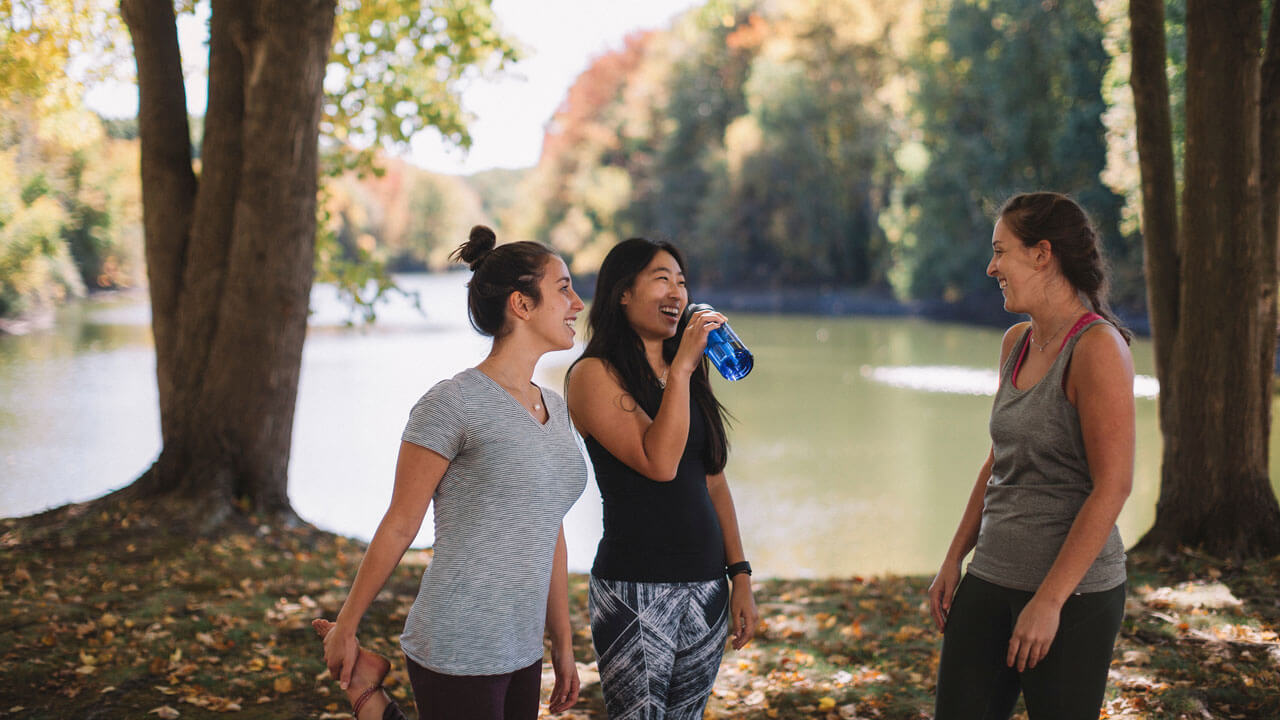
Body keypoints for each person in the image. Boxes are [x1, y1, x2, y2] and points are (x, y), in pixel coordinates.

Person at [315, 225, 588, 720]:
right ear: (521, 305)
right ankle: (363, 690)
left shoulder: (554, 406)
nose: (578, 303)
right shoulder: (452, 403)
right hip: (459, 635)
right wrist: (346, 625)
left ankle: (366, 691)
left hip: (522, 644)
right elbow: (400, 522)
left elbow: (549, 524)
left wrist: (562, 645)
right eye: (564, 288)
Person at [928, 192, 1135, 720]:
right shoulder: (1017, 341)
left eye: (1001, 251)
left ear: (1042, 254)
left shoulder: (1097, 348)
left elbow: (1113, 486)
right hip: (991, 577)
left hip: (1073, 598)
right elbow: (999, 459)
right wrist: (955, 556)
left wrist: (1049, 602)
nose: (990, 266)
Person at [565, 237, 759, 719]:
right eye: (660, 279)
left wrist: (740, 576)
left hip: (707, 587)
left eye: (681, 281)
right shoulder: (593, 374)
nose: (676, 291)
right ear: (622, 294)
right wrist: (683, 368)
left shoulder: (687, 373)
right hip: (636, 589)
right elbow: (659, 462)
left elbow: (712, 480)